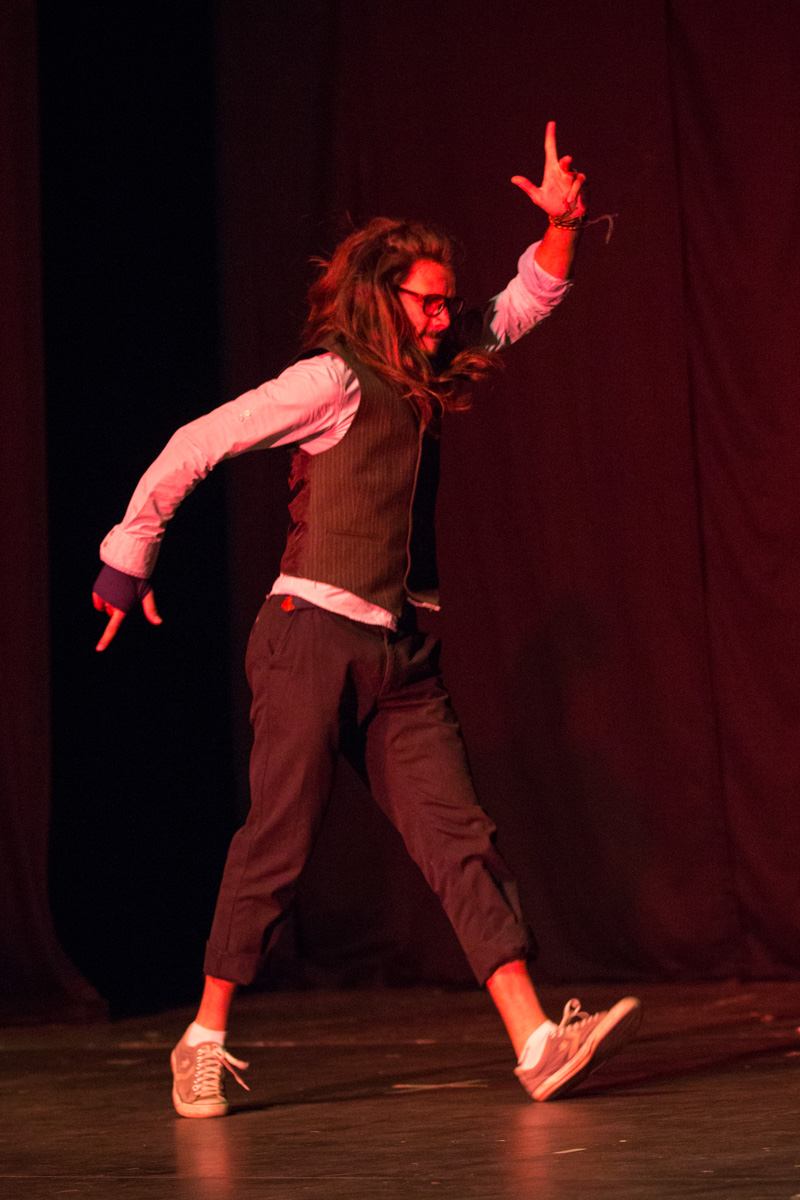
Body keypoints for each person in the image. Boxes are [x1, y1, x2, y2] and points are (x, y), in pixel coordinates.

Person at [93, 122, 641, 1118]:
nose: (443, 318)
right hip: (309, 637)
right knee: (279, 841)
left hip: (401, 657)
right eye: (428, 301)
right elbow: (198, 440)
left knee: (459, 837)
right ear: (382, 298)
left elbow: (519, 307)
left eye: (445, 303)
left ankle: (534, 1043)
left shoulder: (426, 368)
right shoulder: (332, 378)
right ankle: (203, 1037)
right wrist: (130, 555)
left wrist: (562, 226)